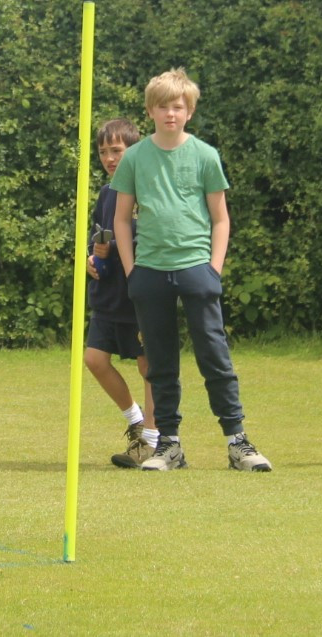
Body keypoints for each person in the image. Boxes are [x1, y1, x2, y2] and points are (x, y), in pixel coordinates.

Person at [111, 68, 272, 472]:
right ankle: (169, 445)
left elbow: (221, 218)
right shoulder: (134, 158)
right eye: (163, 106)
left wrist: (212, 270)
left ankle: (238, 442)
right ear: (150, 110)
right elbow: (121, 219)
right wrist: (132, 272)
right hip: (149, 272)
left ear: (189, 111)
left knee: (215, 356)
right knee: (160, 362)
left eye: (178, 107)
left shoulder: (205, 155)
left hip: (197, 268)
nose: (171, 113)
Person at [84, 118, 158, 468]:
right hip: (108, 296)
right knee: (94, 360)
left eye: (116, 150)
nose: (109, 158)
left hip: (139, 294)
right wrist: (93, 257)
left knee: (148, 365)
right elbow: (98, 235)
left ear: (134, 150)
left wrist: (114, 248)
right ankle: (135, 420)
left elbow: (150, 237)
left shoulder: (148, 189)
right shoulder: (106, 193)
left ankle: (153, 440)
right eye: (103, 152)